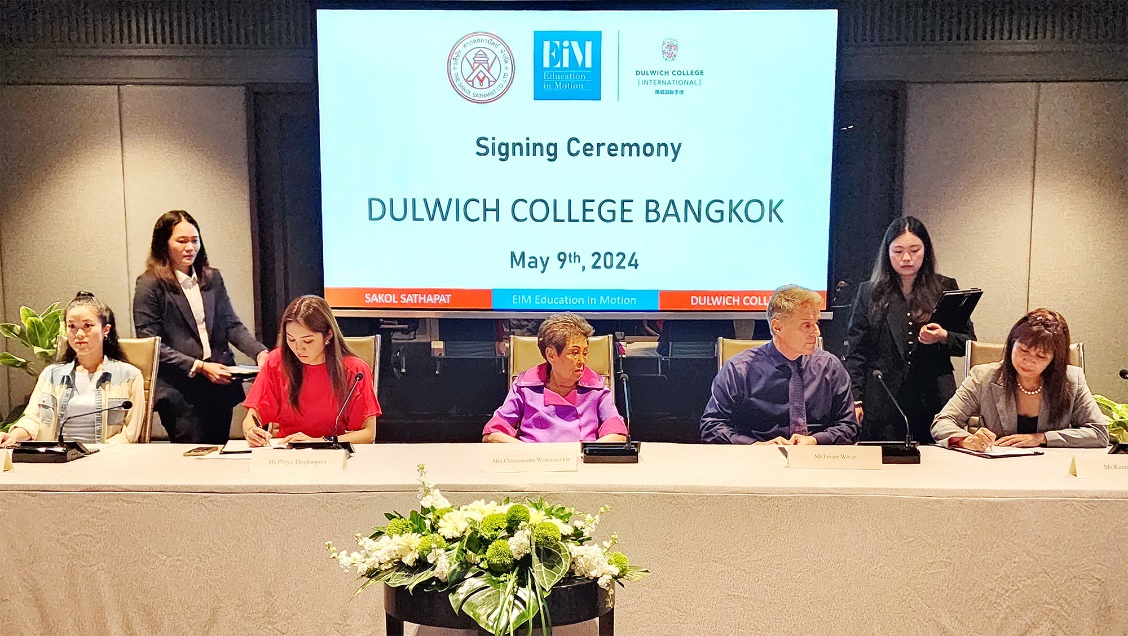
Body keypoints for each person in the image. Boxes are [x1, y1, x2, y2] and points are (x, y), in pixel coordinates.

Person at [133, 210, 269, 444]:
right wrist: (200, 367)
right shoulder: (150, 285)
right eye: (182, 241)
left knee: (219, 456)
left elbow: (231, 325)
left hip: (220, 388)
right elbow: (151, 344)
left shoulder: (212, 278)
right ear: (163, 243)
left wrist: (260, 352)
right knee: (193, 462)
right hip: (181, 392)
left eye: (195, 240)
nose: (190, 247)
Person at [845, 216, 975, 444]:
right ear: (887, 253)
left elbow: (969, 343)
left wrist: (943, 337)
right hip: (883, 398)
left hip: (932, 396)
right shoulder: (869, 292)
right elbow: (857, 352)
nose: (906, 258)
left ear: (926, 250)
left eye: (915, 250)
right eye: (898, 251)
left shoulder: (945, 287)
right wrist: (856, 399)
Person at [700, 285, 858, 445]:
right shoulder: (739, 369)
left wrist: (815, 440)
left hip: (816, 459)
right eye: (806, 325)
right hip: (757, 461)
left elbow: (849, 426)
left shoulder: (829, 366)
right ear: (778, 327)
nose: (816, 332)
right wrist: (755, 446)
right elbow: (712, 426)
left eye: (816, 323)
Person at [932, 309, 1108, 449]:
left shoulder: (1072, 380)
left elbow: (1099, 432)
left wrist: (1042, 438)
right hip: (994, 471)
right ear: (1011, 345)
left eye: (1041, 356)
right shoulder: (983, 377)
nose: (1029, 361)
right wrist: (966, 440)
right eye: (1023, 350)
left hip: (1054, 471)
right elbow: (943, 422)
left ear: (1055, 360)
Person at [0, 292, 145, 446]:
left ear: (105, 330)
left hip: (105, 461)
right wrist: (14, 435)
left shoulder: (129, 376)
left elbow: (129, 433)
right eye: (72, 326)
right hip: (57, 461)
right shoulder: (51, 375)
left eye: (87, 326)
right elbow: (33, 419)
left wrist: (95, 453)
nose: (79, 334)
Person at [242, 295, 379, 446]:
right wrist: (252, 431)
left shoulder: (354, 371)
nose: (299, 349)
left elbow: (368, 433)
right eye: (291, 339)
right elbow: (253, 417)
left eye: (308, 340)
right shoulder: (277, 362)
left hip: (335, 454)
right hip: (286, 455)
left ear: (328, 335)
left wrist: (318, 442)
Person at [483, 313, 627, 443]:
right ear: (551, 355)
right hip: (534, 466)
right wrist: (527, 453)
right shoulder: (524, 386)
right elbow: (492, 434)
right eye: (574, 353)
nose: (582, 360)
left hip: (582, 466)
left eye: (585, 353)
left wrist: (585, 452)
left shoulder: (596, 387)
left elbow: (618, 434)